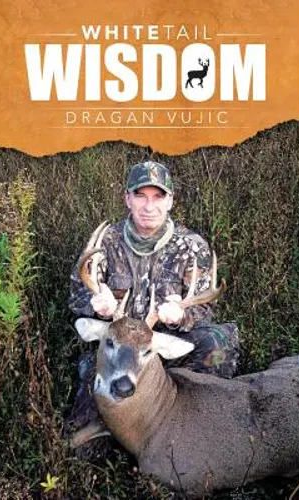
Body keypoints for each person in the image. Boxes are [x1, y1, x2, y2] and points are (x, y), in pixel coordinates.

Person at [66, 161, 239, 441]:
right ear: (127, 199)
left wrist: (181, 315)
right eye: (141, 196)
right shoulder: (106, 242)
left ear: (170, 201)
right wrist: (95, 304)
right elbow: (77, 294)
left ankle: (196, 423)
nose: (149, 206)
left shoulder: (192, 247)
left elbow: (204, 306)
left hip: (163, 346)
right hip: (119, 351)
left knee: (218, 341)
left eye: (158, 197)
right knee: (82, 439)